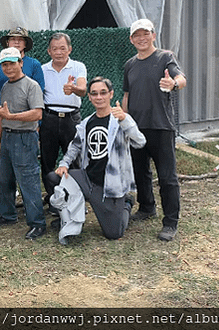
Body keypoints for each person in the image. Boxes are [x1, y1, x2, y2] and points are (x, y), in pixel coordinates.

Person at [47, 77, 146, 240]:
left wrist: (124, 120)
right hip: (88, 179)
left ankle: (126, 204)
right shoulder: (87, 122)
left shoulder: (120, 119)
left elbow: (140, 142)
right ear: (90, 97)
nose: (99, 97)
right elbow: (75, 146)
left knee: (114, 234)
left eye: (103, 93)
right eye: (94, 94)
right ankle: (66, 217)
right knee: (53, 177)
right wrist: (64, 163)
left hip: (111, 185)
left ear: (111, 94)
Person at [122, 18, 187, 241]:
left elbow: (181, 78)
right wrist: (125, 122)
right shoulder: (130, 64)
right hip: (137, 129)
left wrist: (174, 84)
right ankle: (147, 207)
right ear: (131, 39)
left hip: (161, 126)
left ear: (153, 35)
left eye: (145, 34)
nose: (141, 38)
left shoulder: (165, 57)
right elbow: (127, 96)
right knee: (141, 172)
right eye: (136, 35)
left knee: (167, 177)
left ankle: (170, 222)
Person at [0, 47, 46, 240]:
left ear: (21, 63)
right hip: (7, 138)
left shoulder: (31, 85)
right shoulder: (5, 86)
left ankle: (37, 223)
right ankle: (7, 215)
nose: (8, 68)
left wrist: (12, 116)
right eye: (4, 65)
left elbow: (37, 114)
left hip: (24, 137)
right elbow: (2, 117)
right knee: (5, 180)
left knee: (28, 181)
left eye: (12, 63)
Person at [41, 33, 87, 210]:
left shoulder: (78, 67)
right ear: (49, 51)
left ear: (70, 49)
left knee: (75, 160)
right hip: (49, 117)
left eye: (62, 48)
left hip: (71, 119)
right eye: (54, 49)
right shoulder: (43, 69)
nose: (58, 52)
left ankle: (76, 199)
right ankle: (54, 200)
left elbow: (83, 89)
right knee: (47, 161)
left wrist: (73, 88)